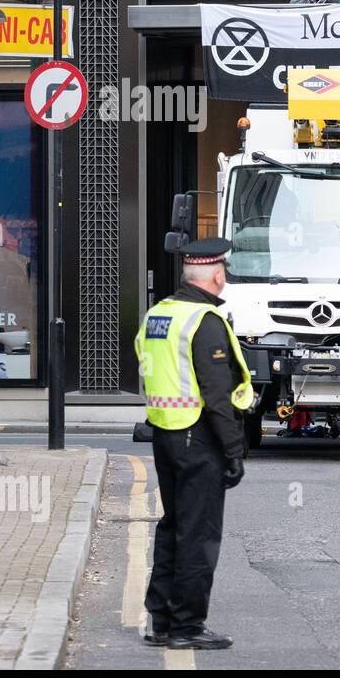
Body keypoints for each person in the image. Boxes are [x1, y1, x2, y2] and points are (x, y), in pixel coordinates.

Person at [134, 238, 252, 651]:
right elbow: (218, 396)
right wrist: (234, 452)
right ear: (218, 274)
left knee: (173, 526)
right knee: (198, 534)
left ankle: (160, 620)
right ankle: (187, 626)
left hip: (165, 432)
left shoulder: (158, 315)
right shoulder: (205, 321)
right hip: (198, 436)